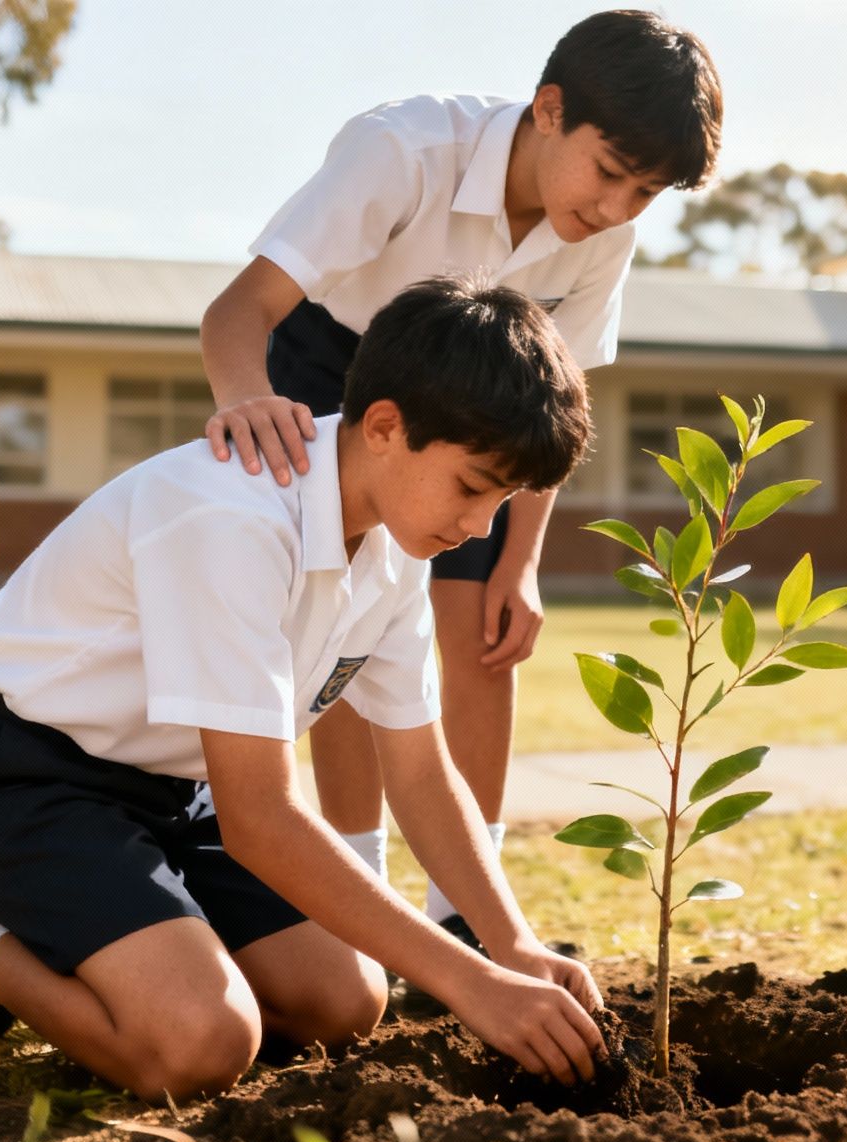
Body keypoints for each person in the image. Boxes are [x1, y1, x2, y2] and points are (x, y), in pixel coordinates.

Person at [0, 277, 603, 1099]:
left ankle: (122, 945)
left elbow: (421, 773)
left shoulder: (394, 549)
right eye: (472, 486)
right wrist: (470, 984)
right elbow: (261, 819)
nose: (480, 529)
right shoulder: (233, 516)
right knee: (199, 1045)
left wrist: (514, 948)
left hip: (177, 789)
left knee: (345, 1001)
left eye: (502, 501)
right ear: (385, 426)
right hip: (22, 770)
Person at [198, 10, 722, 941]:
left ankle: (465, 916)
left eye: (645, 194)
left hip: (488, 392)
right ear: (550, 109)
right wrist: (246, 400)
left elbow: (551, 412)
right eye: (609, 174)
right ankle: (352, 888)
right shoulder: (401, 149)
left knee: (485, 630)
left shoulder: (605, 234)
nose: (614, 210)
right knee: (345, 621)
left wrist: (519, 565)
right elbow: (239, 310)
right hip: (336, 363)